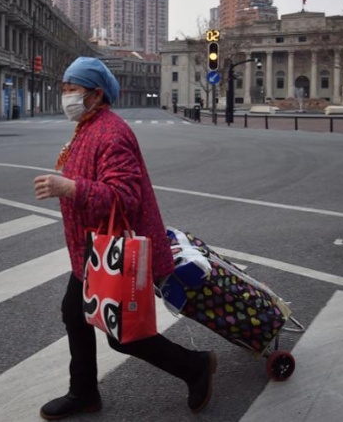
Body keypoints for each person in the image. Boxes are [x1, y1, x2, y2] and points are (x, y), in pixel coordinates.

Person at [33, 57, 216, 420]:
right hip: (94, 249)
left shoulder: (111, 132)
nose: (66, 96)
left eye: (72, 90)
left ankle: (195, 366)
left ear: (96, 94)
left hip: (115, 250)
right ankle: (84, 392)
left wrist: (69, 187)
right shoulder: (88, 126)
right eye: (64, 90)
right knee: (75, 314)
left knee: (123, 335)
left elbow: (125, 197)